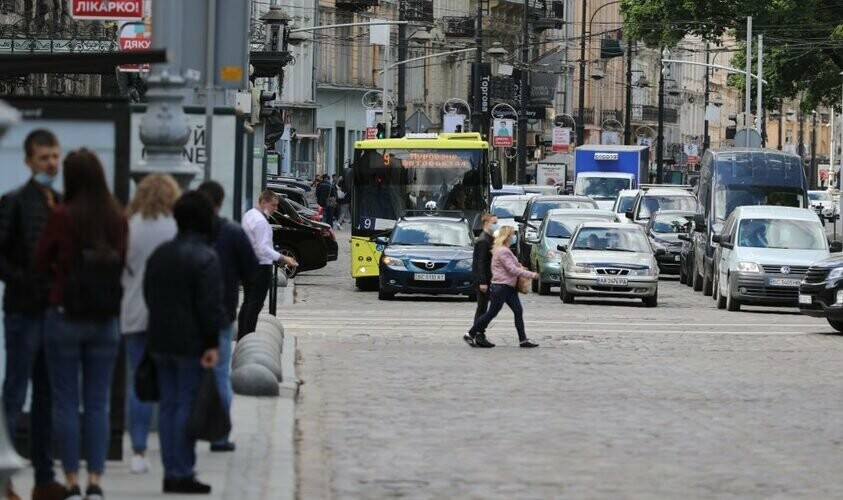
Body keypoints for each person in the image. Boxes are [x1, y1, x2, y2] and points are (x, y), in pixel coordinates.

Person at [36, 149, 129, 500]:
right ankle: (95, 480)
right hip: (105, 320)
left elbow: (41, 258)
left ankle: (71, 480)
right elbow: (121, 261)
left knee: (65, 401)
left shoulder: (62, 215)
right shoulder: (116, 217)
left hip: (65, 316)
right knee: (97, 402)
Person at [143, 191, 223, 494]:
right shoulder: (205, 257)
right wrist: (212, 343)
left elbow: (149, 294)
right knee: (185, 407)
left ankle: (170, 470)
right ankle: (181, 471)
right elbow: (209, 306)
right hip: (191, 345)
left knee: (168, 406)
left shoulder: (161, 253)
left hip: (160, 340)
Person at [0, 129, 64, 500]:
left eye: (55, 157)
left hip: (52, 311)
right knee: (15, 392)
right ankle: (5, 477)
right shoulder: (14, 202)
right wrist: (25, 279)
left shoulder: (58, 201)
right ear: (29, 161)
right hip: (24, 310)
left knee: (46, 394)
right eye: (44, 158)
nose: (51, 164)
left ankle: (43, 476)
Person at [120, 174, 181, 475]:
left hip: (133, 311)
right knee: (170, 382)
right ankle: (171, 450)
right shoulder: (175, 226)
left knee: (137, 382)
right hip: (168, 316)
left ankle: (138, 450)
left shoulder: (129, 226)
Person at [197, 181, 257, 452]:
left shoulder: (187, 232)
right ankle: (219, 436)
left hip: (190, 314)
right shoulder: (231, 233)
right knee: (220, 374)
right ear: (220, 203)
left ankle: (183, 432)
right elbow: (252, 273)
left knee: (188, 374)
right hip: (221, 312)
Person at [466, 226, 539, 348]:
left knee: (518, 311)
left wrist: (520, 266)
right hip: (501, 287)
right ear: (507, 236)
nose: (513, 237)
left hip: (508, 287)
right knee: (491, 313)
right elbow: (511, 269)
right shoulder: (503, 251)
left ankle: (523, 340)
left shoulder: (503, 250)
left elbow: (512, 266)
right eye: (512, 235)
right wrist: (532, 275)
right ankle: (471, 333)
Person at [238, 190, 297, 340]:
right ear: (263, 202)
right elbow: (263, 248)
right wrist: (284, 258)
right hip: (260, 266)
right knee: (255, 304)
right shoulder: (260, 222)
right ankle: (248, 336)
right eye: (273, 205)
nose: (275, 209)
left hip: (248, 264)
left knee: (248, 302)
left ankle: (242, 335)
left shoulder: (249, 215)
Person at [464, 213, 497, 346]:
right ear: (485, 223)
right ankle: (477, 334)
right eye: (493, 223)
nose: (496, 226)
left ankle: (477, 334)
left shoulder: (489, 238)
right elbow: (480, 263)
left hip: (488, 279)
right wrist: (482, 281)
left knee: (484, 308)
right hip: (484, 280)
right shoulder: (484, 240)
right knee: (482, 308)